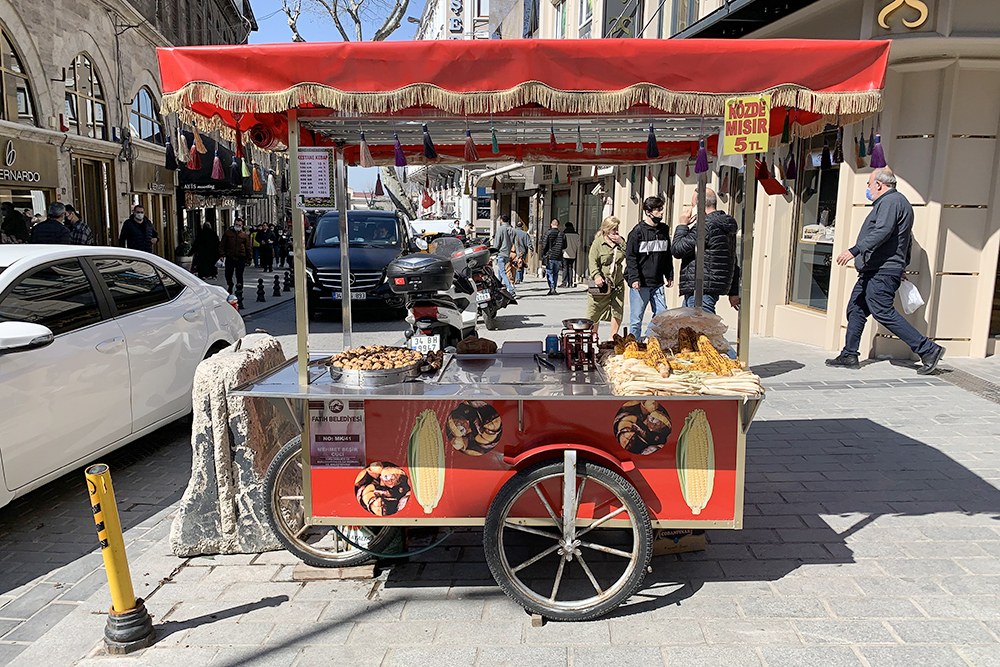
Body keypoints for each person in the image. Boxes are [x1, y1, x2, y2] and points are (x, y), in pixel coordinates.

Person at [827, 167, 944, 374]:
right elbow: (905, 240)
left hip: (881, 270)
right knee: (856, 308)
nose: (868, 189)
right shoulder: (896, 203)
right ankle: (849, 354)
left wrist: (855, 250)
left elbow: (883, 231)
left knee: (883, 311)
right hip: (876, 270)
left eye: (869, 184)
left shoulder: (891, 202)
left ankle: (928, 350)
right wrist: (901, 265)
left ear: (879, 185)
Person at [672, 188, 740, 314]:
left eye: (692, 205)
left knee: (701, 329)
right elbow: (732, 259)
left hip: (700, 289)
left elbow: (678, 249)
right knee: (690, 330)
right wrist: (734, 291)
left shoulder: (705, 226)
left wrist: (682, 225)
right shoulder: (723, 225)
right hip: (707, 287)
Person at [624, 196, 674, 338]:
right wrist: (634, 278)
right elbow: (631, 258)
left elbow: (667, 255)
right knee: (636, 320)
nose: (661, 213)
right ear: (648, 212)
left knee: (661, 315)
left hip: (657, 282)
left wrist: (669, 275)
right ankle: (634, 346)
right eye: (658, 210)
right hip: (641, 283)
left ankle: (648, 338)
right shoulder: (637, 232)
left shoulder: (664, 230)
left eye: (662, 209)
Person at [587, 216, 626, 339]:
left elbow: (630, 254)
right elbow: (592, 261)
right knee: (595, 310)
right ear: (606, 229)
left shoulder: (620, 242)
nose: (616, 231)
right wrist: (597, 276)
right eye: (613, 229)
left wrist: (622, 243)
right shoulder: (598, 243)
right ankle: (594, 334)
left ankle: (613, 336)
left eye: (617, 228)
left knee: (617, 309)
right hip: (601, 283)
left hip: (617, 282)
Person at [219, 217, 253, 294]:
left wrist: (249, 258)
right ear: (234, 224)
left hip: (241, 257)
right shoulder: (228, 233)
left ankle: (239, 288)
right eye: (236, 225)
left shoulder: (244, 235)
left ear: (242, 226)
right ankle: (230, 285)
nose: (237, 226)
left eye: (239, 225)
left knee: (239, 274)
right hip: (230, 257)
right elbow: (222, 244)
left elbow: (248, 247)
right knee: (228, 274)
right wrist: (221, 255)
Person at [492, 215, 518, 296]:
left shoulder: (500, 229)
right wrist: (517, 254)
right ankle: (498, 287)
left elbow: (497, 242)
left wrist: (493, 252)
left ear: (501, 220)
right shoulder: (513, 230)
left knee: (503, 272)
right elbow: (516, 243)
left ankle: (510, 290)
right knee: (501, 270)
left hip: (501, 253)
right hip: (508, 253)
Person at [541, 219, 566, 295]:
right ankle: (554, 287)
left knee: (549, 272)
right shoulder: (562, 234)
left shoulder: (548, 233)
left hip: (550, 256)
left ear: (551, 224)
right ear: (558, 225)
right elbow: (565, 246)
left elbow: (544, 245)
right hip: (558, 256)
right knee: (555, 273)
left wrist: (543, 254)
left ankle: (551, 287)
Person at [560, 222, 581, 288]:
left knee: (565, 268)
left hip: (565, 253)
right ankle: (570, 283)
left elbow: (562, 244)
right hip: (573, 254)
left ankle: (564, 282)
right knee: (570, 268)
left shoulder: (565, 234)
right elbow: (579, 244)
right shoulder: (576, 234)